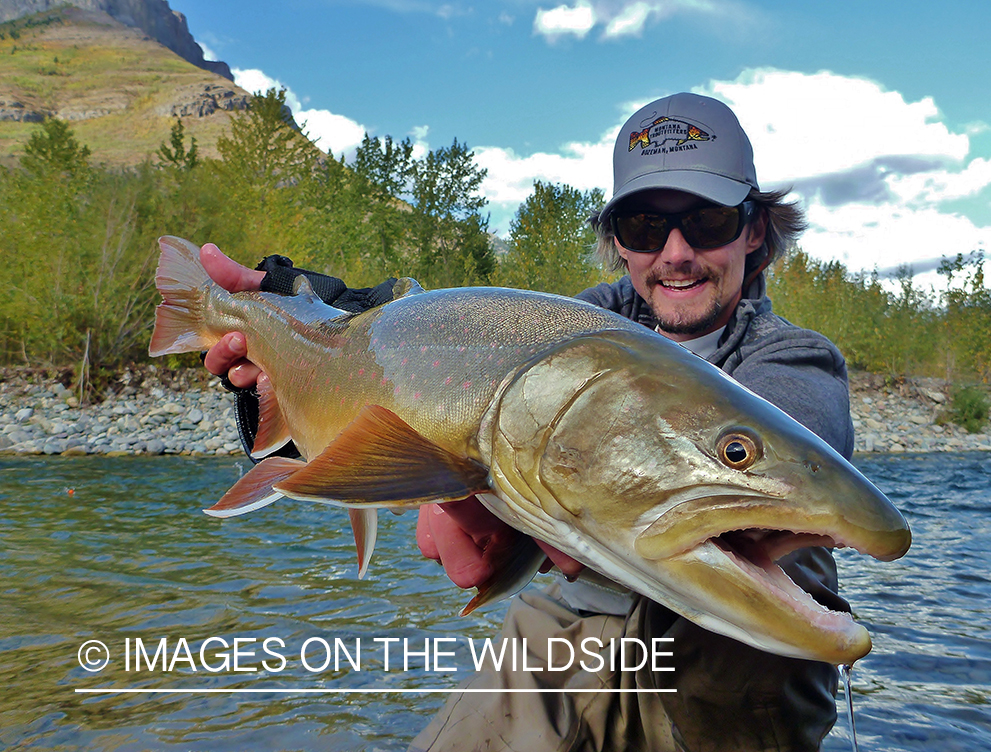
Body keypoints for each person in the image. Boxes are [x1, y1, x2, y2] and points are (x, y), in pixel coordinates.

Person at [202, 92, 854, 751]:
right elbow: (464, 559)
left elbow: (790, 479)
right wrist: (355, 356)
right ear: (619, 245)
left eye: (708, 220)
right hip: (565, 632)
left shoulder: (794, 361)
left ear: (753, 230)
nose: (676, 252)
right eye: (645, 228)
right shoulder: (554, 329)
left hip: (727, 666)